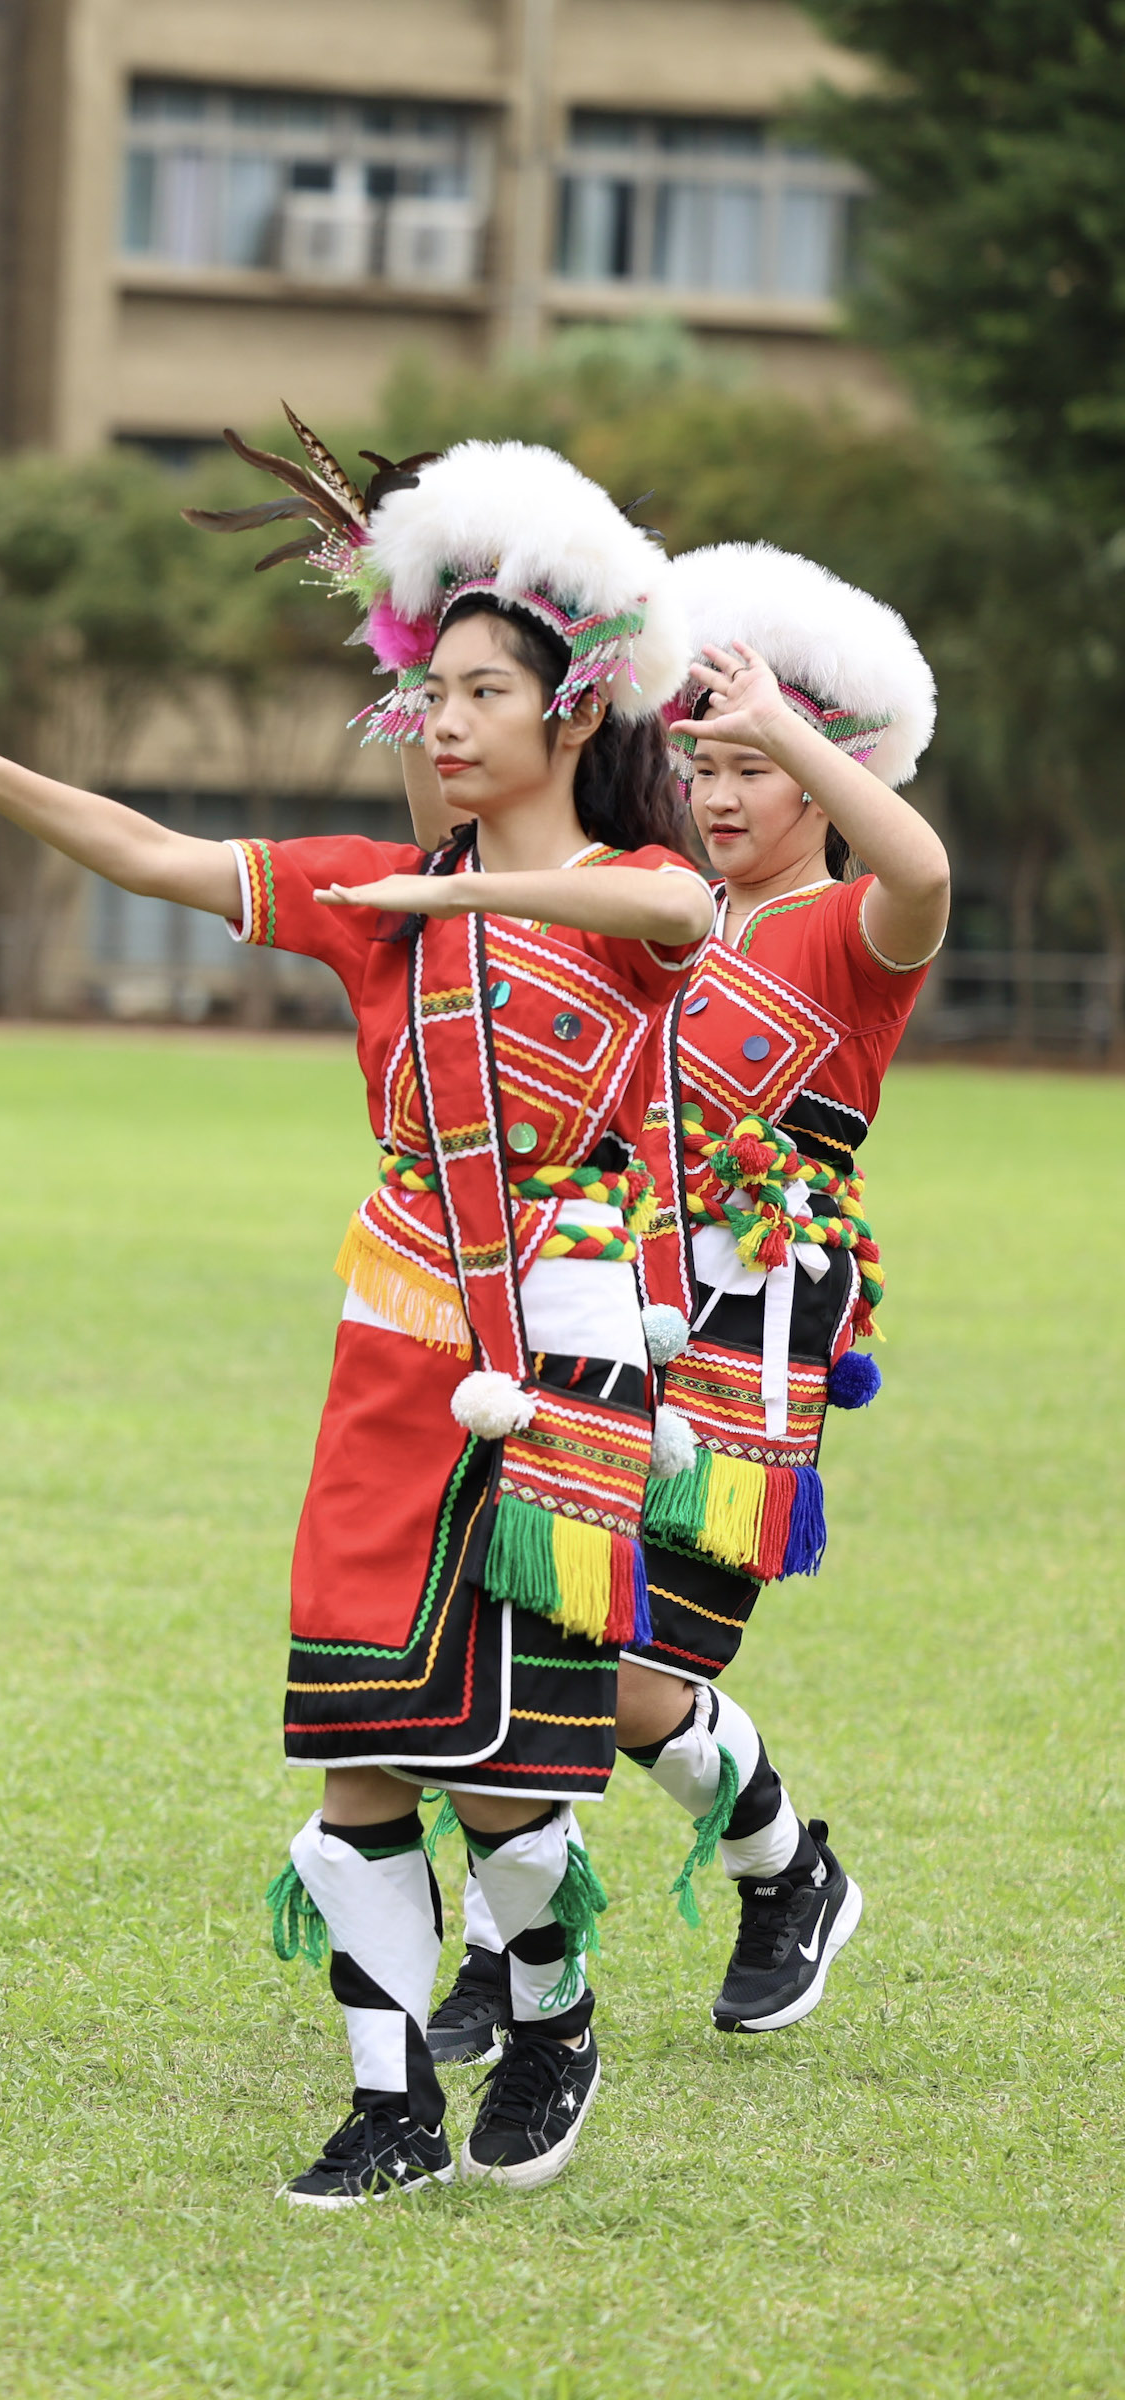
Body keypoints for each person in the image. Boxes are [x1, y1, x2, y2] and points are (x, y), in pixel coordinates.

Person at [0, 434, 709, 2203]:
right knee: (363, 1733)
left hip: (566, 1347)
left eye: (484, 694)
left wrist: (452, 889)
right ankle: (387, 2106)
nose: (442, 723)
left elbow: (675, 901)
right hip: (398, 1340)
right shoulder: (380, 907)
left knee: (514, 1773)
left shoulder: (600, 898)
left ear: (570, 713)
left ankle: (555, 2014)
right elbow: (152, 854)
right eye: (429, 693)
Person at [434, 544, 939, 2059]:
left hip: (747, 1341)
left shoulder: (855, 939)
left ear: (817, 775)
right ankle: (506, 1957)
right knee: (533, 1633)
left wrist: (781, 715)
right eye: (699, 763)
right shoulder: (658, 909)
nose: (718, 795)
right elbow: (462, 867)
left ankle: (784, 1864)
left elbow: (923, 871)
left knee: (645, 1675)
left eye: (751, 769)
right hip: (597, 1301)